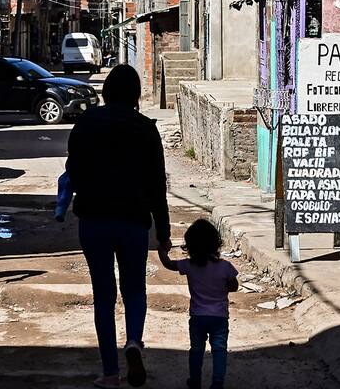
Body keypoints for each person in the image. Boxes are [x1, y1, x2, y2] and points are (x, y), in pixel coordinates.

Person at [65, 65, 171, 389]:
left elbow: (73, 171)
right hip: (133, 221)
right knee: (135, 288)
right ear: (137, 94)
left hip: (94, 220)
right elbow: (157, 187)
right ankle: (134, 342)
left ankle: (110, 372)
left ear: (106, 92)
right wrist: (164, 235)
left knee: (104, 295)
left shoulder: (85, 125)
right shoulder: (146, 129)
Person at [158, 219, 239, 389]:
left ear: (190, 246)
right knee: (219, 349)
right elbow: (234, 286)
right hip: (219, 317)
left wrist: (162, 249)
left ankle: (195, 380)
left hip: (197, 317)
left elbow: (168, 264)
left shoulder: (189, 265)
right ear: (216, 243)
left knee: (196, 349)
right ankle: (217, 382)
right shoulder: (225, 267)